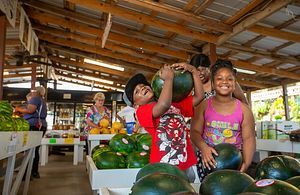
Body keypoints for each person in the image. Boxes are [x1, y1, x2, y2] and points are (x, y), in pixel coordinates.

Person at [124, 63, 204, 182]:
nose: (142, 88)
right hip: (164, 164)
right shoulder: (142, 111)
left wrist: (193, 71)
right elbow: (164, 105)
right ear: (135, 104)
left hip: (184, 161)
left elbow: (199, 96)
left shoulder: (174, 103)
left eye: (143, 86)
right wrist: (169, 79)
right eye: (137, 91)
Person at [190, 60, 256, 182]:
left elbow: (249, 138)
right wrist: (204, 148)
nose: (225, 82)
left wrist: (246, 162)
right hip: (207, 160)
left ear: (235, 84)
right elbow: (194, 132)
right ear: (213, 84)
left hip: (234, 161)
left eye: (230, 79)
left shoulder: (244, 109)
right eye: (219, 78)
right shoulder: (203, 106)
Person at [14, 86, 48, 179]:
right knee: (35, 149)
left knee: (28, 149)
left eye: (33, 91)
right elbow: (33, 112)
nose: (32, 93)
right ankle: (34, 172)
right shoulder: (42, 101)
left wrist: (18, 109)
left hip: (34, 125)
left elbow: (30, 110)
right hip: (40, 125)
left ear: (37, 92)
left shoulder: (36, 98)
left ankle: (26, 173)